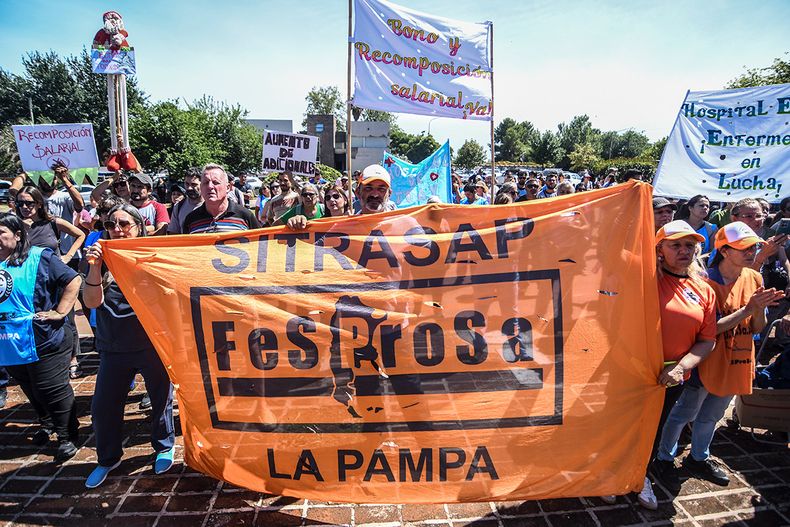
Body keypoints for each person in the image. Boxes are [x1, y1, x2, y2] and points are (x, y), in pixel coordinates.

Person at [654, 222, 784, 490]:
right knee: (684, 412)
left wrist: (756, 310)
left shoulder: (754, 278)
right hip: (705, 361)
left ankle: (699, 457)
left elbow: (757, 328)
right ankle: (663, 458)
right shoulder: (704, 281)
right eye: (744, 248)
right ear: (724, 250)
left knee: (713, 413)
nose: (751, 252)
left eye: (754, 247)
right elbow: (708, 332)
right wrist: (748, 309)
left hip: (736, 357)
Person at [82, 204, 176, 487]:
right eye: (112, 225)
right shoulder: (97, 258)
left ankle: (163, 446)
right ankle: (108, 459)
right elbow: (91, 302)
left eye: (125, 224)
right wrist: (95, 267)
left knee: (160, 400)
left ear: (139, 226)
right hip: (113, 346)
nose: (118, 230)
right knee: (103, 407)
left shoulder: (152, 256)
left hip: (151, 343)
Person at [0, 213, 82, 461]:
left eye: (0, 233)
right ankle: (46, 424)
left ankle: (67, 435)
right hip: (9, 343)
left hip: (45, 338)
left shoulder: (39, 257)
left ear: (17, 235)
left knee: (51, 388)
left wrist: (60, 312)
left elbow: (73, 279)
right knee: (29, 387)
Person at [183, 164, 260, 234]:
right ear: (201, 187)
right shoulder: (191, 220)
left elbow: (260, 245)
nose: (210, 186)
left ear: (227, 188)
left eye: (215, 182)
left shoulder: (245, 216)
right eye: (205, 183)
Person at [167, 168, 203, 235]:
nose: (189, 188)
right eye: (187, 184)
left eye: (193, 184)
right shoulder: (178, 207)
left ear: (203, 184)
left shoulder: (210, 205)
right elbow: (174, 234)